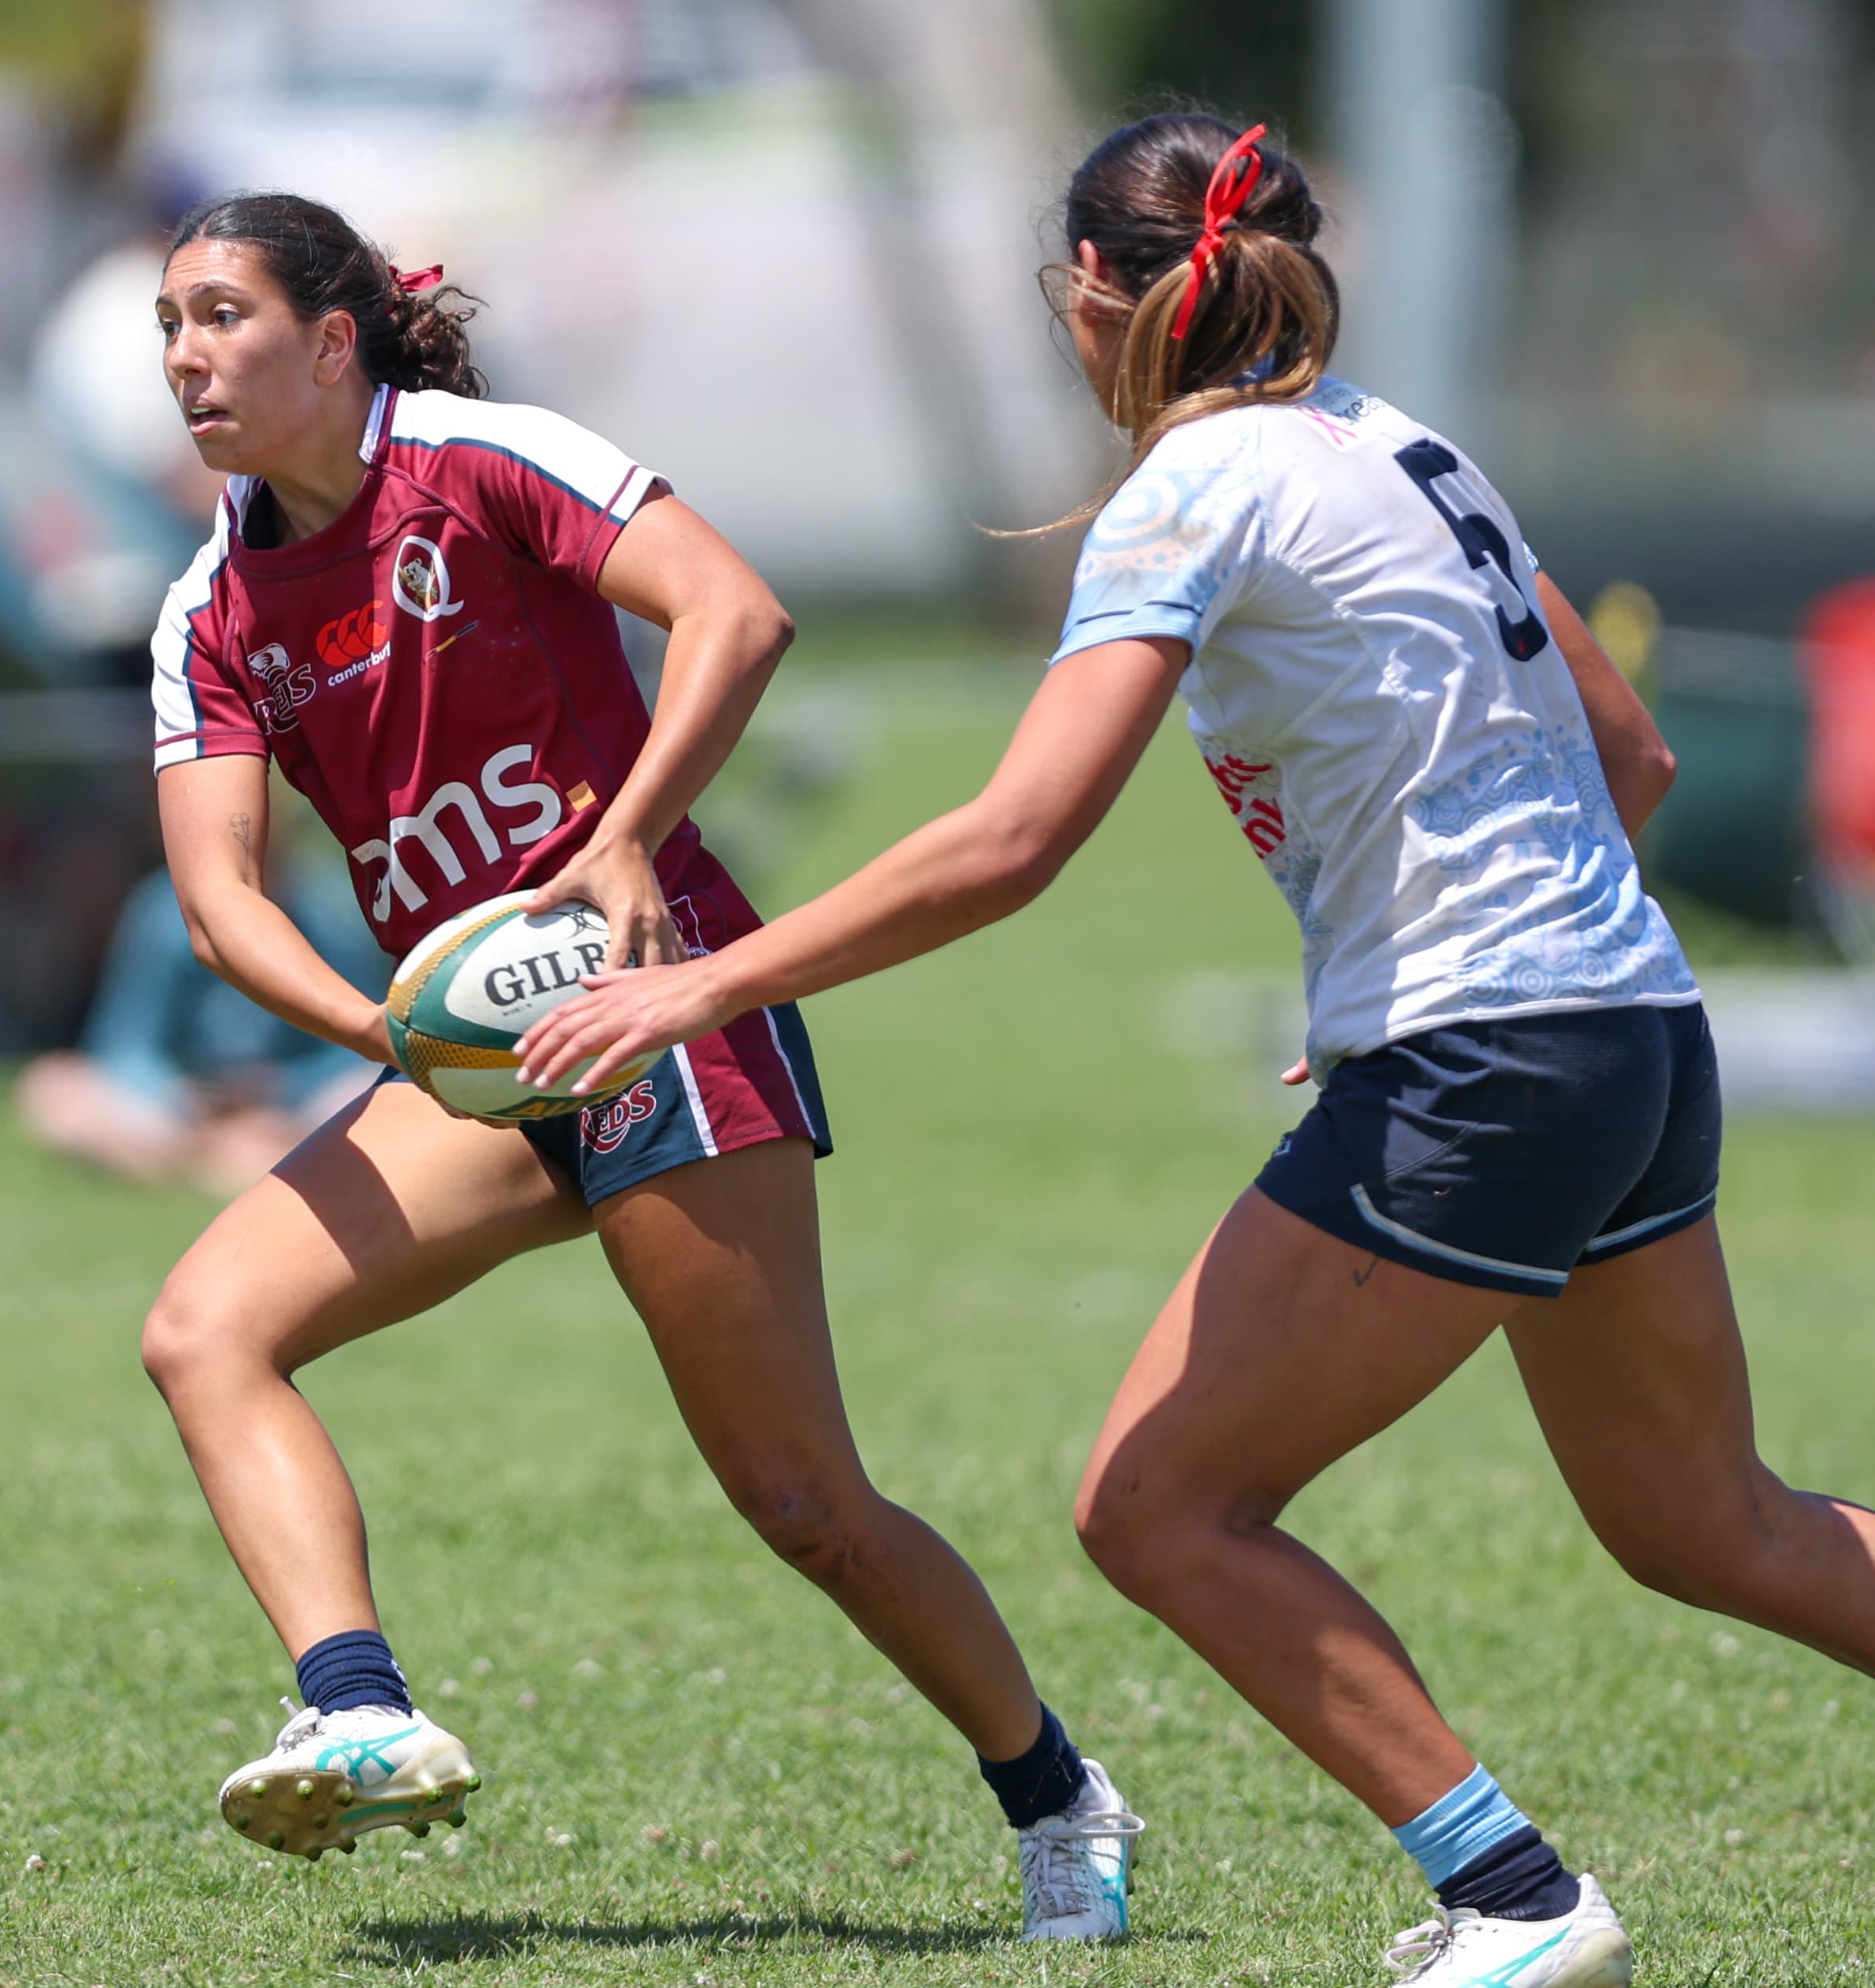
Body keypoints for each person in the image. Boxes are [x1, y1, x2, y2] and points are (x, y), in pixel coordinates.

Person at [520, 115, 1875, 1986]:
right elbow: (1627, 751)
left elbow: (1010, 839)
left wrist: (695, 986)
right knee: (1708, 1521)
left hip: (1484, 1049)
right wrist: (1511, 966)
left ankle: (1512, 1897)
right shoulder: (1406, 441)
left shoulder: (1190, 484)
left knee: (1157, 1506)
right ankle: (1511, 1897)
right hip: (1626, 1026)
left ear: (1090, 293)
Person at [138, 190, 1141, 1938]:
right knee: (206, 1329)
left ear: (329, 340)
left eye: (221, 317)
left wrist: (627, 845)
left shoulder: (473, 460)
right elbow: (221, 902)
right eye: (167, 325)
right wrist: (392, 1037)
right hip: (471, 1056)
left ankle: (1060, 1796)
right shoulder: (212, 606)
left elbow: (735, 614)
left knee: (802, 1502)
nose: (183, 357)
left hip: (661, 1002)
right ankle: (360, 1706)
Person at [15, 849, 378, 1196]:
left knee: (378, 1097)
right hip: (185, 1112)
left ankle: (207, 1164)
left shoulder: (327, 907)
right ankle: (235, 1164)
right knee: (52, 1088)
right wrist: (182, 1098)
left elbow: (363, 1040)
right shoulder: (161, 909)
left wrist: (282, 1087)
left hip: (291, 1108)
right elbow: (126, 1044)